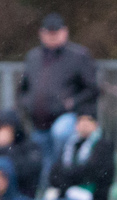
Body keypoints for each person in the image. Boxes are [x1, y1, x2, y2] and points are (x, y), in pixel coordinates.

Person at [20, 13, 97, 165]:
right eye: (49, 32)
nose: (52, 36)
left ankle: (63, 171)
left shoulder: (78, 56)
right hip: (38, 122)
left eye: (56, 32)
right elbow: (23, 88)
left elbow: (92, 89)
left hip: (68, 118)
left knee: (60, 134)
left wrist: (72, 103)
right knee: (42, 163)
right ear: (41, 33)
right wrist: (27, 104)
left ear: (65, 32)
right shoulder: (33, 57)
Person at [48, 109, 113, 200]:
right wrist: (70, 178)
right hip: (66, 196)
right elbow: (54, 174)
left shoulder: (103, 145)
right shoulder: (69, 145)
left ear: (96, 124)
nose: (84, 124)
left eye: (88, 120)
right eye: (80, 120)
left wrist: (68, 175)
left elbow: (92, 172)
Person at [0, 112, 44, 199]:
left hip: (24, 196)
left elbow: (28, 172)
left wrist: (6, 148)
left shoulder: (29, 147)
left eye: (6, 129)